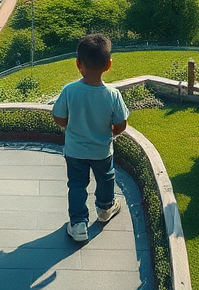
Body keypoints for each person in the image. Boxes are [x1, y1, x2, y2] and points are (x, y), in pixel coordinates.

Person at [51, 34, 129, 243]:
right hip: (102, 150)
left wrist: (71, 127)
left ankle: (78, 224)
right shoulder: (112, 94)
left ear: (78, 64)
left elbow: (59, 117)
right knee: (106, 178)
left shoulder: (70, 90)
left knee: (77, 185)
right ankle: (105, 209)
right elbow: (121, 124)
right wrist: (110, 134)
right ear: (109, 65)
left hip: (75, 151)